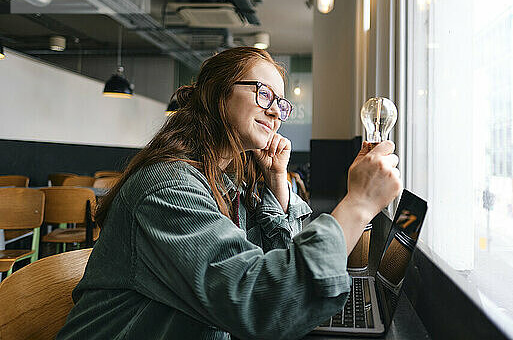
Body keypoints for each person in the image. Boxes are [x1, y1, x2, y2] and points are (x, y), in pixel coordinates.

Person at [57, 47, 402, 340]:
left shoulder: (228, 182)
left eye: (280, 103)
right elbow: (264, 303)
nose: (273, 112)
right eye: (263, 93)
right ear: (218, 93)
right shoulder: (168, 189)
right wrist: (359, 203)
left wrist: (277, 181)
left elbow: (281, 264)